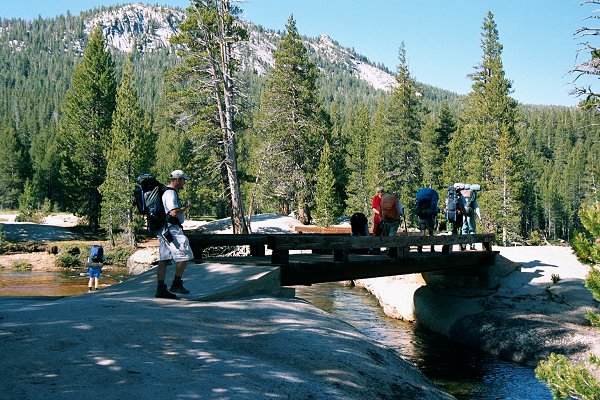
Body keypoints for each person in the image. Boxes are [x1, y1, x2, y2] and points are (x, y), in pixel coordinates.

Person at [155, 169, 195, 299]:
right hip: (172, 229)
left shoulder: (167, 192)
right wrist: (186, 207)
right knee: (185, 254)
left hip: (164, 230)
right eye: (183, 180)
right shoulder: (170, 193)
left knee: (164, 259)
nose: (184, 183)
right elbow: (173, 212)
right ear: (177, 180)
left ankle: (161, 289)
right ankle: (176, 284)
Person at [415, 186, 439, 253]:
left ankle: (419, 248)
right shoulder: (433, 195)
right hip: (429, 217)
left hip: (421, 217)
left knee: (422, 233)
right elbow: (434, 207)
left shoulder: (420, 195)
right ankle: (432, 248)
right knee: (431, 233)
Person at [461, 184, 481, 250]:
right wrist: (480, 217)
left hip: (463, 214)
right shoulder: (473, 194)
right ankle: (472, 245)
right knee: (472, 229)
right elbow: (476, 207)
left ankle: (463, 245)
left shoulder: (461, 193)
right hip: (470, 213)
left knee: (464, 230)